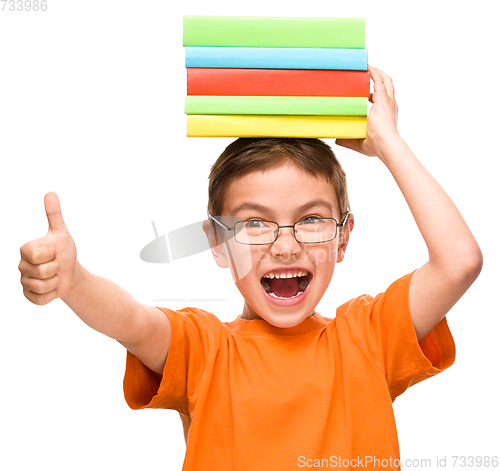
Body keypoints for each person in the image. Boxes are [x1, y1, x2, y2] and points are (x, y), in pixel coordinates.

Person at [19, 66, 482, 470]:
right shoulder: (204, 350)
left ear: (344, 236)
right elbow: (133, 321)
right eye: (255, 223)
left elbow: (459, 261)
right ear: (217, 243)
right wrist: (74, 281)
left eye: (312, 219)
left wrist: (389, 144)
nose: (285, 245)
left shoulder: (370, 338)